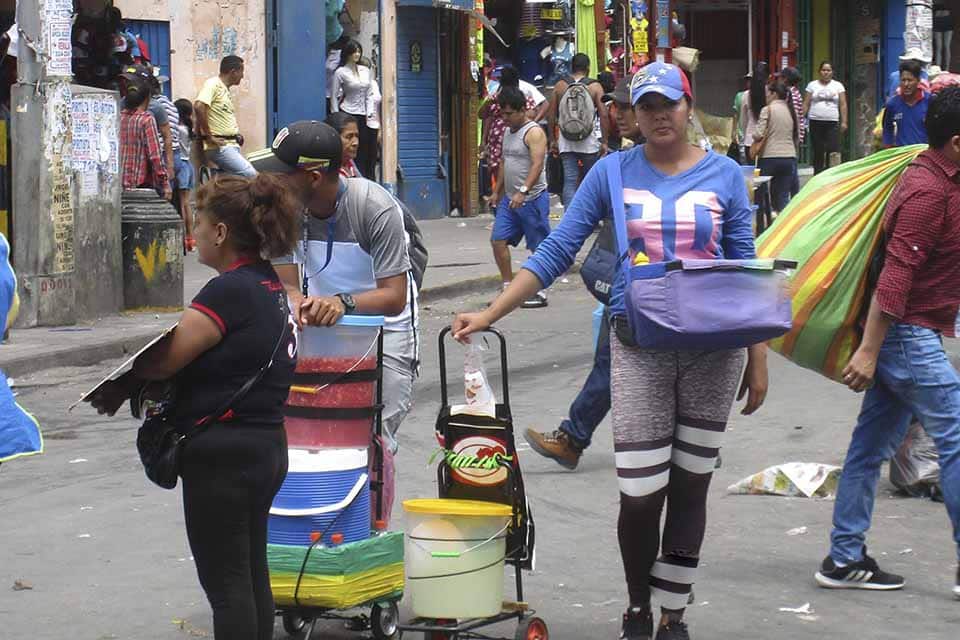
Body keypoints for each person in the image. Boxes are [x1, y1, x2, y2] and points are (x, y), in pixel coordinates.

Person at [453, 63, 768, 640]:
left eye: (667, 104)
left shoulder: (724, 175)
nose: (657, 115)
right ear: (632, 115)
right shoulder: (610, 173)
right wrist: (491, 310)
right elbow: (553, 254)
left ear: (687, 106)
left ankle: (672, 613)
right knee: (642, 490)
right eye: (646, 106)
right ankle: (636, 607)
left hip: (713, 356)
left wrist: (758, 357)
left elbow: (743, 265)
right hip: (639, 348)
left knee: (691, 483)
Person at [88, 173, 301, 640]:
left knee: (227, 587)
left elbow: (167, 358)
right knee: (249, 575)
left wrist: (124, 381)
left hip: (223, 457)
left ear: (221, 233)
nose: (194, 233)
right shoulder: (268, 286)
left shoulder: (228, 291)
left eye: (198, 222)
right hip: (265, 448)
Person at [814, 86, 960, 601]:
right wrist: (870, 350)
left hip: (911, 334)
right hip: (906, 334)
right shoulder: (928, 192)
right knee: (957, 434)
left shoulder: (941, 176)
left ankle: (845, 557)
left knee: (868, 448)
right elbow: (894, 277)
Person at [249, 122, 414, 459]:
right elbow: (287, 280)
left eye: (282, 173)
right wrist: (294, 299)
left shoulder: (373, 208)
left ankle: (367, 511)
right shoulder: (284, 210)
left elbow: (394, 297)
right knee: (310, 440)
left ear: (313, 178)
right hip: (323, 332)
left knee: (369, 444)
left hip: (383, 334)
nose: (272, 182)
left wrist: (343, 303)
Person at [524, 74, 645, 470]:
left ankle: (575, 437)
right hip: (626, 292)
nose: (619, 114)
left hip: (659, 296)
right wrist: (495, 310)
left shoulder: (686, 167)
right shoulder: (614, 167)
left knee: (615, 365)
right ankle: (574, 436)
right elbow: (560, 246)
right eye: (618, 106)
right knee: (610, 362)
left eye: (629, 107)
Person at [490, 86, 550, 310]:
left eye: (508, 114)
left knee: (539, 247)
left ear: (522, 110)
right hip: (509, 199)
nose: (504, 118)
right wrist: (497, 192)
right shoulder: (508, 131)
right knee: (498, 240)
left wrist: (523, 191)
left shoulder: (534, 133)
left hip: (532, 198)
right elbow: (505, 162)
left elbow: (537, 164)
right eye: (502, 114)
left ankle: (539, 290)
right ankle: (508, 287)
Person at [547, 53, 610, 208]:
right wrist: (605, 141)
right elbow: (604, 114)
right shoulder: (595, 86)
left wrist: (552, 140)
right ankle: (590, 216)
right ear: (588, 68)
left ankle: (569, 219)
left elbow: (551, 115)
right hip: (588, 141)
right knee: (590, 180)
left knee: (569, 180)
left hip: (566, 141)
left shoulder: (560, 85)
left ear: (571, 67)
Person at [480, 66, 547, 208]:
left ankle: (509, 201)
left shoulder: (519, 95)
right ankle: (502, 204)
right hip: (502, 139)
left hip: (513, 138)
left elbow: (486, 117)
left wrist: (530, 125)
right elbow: (485, 116)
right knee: (504, 169)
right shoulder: (497, 96)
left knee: (510, 168)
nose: (505, 117)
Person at [195, 55, 255, 178]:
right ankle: (212, 176)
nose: (242, 76)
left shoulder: (225, 89)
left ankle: (216, 177)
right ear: (233, 72)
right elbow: (198, 106)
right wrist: (209, 136)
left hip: (231, 144)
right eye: (241, 72)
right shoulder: (213, 84)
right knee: (251, 175)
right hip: (221, 146)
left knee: (234, 182)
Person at [331, 40, 378, 179]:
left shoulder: (365, 70)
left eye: (359, 51)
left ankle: (363, 177)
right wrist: (336, 116)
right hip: (347, 112)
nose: (357, 54)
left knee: (363, 147)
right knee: (348, 146)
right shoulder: (340, 72)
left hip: (363, 114)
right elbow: (334, 96)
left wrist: (370, 112)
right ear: (348, 53)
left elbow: (370, 93)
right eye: (354, 51)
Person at [119, 74, 171, 200]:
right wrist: (165, 183)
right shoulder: (146, 119)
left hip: (119, 183)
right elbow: (155, 156)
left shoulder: (119, 116)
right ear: (147, 99)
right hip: (140, 184)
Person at [753, 81, 799, 212]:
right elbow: (796, 135)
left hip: (769, 157)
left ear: (774, 94)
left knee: (760, 195)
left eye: (768, 93)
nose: (766, 96)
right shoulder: (791, 110)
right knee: (782, 197)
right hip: (789, 157)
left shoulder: (767, 109)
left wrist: (754, 137)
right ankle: (784, 226)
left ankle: (763, 226)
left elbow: (758, 134)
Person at [803, 61, 848, 174]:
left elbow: (843, 104)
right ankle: (817, 173)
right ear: (819, 72)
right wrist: (801, 118)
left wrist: (844, 121)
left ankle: (831, 173)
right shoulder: (812, 85)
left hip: (832, 121)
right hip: (815, 120)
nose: (826, 73)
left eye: (828, 70)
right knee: (818, 149)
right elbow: (806, 103)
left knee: (832, 148)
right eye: (823, 70)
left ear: (832, 72)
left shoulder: (838, 86)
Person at [882, 60, 931, 148]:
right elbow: (887, 128)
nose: (906, 84)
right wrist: (888, 148)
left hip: (925, 155)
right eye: (903, 80)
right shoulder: (892, 104)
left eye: (910, 80)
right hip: (903, 156)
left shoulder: (930, 101)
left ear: (918, 81)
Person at [149, 69, 179, 183]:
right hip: (175, 153)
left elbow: (166, 136)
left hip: (164, 154)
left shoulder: (155, 106)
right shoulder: (169, 103)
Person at [175, 98, 197, 251]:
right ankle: (191, 238)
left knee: (181, 203)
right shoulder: (189, 129)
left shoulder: (178, 129)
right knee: (187, 203)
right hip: (189, 165)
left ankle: (183, 237)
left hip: (181, 165)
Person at [740, 67, 768, 164]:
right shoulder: (771, 93)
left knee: (753, 174)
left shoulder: (746, 95)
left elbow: (743, 120)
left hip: (750, 139)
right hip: (767, 140)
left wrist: (745, 134)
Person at [326, 112, 362, 178]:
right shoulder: (327, 173)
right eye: (349, 137)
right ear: (334, 138)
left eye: (357, 136)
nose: (356, 143)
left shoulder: (350, 164)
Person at [731, 73, 752, 163]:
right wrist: (734, 130)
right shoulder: (740, 96)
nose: (749, 83)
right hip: (742, 131)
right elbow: (735, 114)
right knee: (744, 158)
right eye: (748, 80)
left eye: (750, 80)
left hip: (751, 132)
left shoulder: (765, 95)